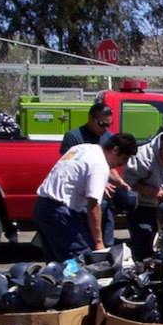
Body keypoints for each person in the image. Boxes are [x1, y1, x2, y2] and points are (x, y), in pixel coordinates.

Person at [35, 133, 138, 261]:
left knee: (55, 264)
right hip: (60, 213)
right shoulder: (100, 165)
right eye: (123, 159)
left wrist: (117, 180)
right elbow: (93, 206)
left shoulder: (84, 148)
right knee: (80, 260)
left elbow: (82, 169)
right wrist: (99, 242)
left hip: (42, 207)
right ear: (115, 150)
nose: (121, 165)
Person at [60, 102, 130, 247]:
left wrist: (119, 181)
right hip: (79, 200)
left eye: (109, 125)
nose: (106, 129)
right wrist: (99, 184)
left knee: (107, 214)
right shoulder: (74, 137)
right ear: (91, 119)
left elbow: (109, 166)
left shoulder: (109, 138)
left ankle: (107, 246)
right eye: (102, 124)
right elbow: (71, 169)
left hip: (103, 199)